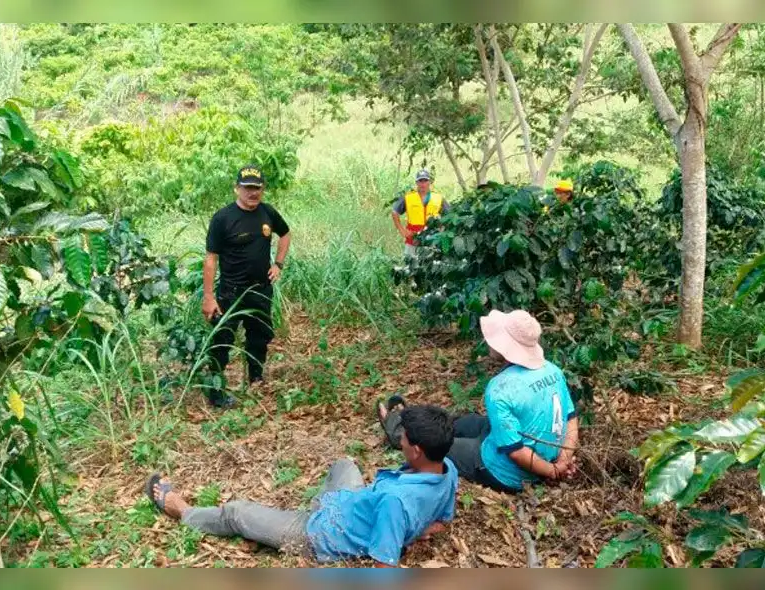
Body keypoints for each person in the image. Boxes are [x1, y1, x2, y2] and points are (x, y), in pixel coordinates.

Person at [145, 405, 458, 568]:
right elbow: (442, 522)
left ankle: (181, 509)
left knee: (237, 514)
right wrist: (414, 530)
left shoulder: (396, 503)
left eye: (403, 438)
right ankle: (316, 505)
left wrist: (396, 533)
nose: (399, 440)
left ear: (416, 449)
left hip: (320, 533)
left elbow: (382, 567)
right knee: (344, 465)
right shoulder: (448, 470)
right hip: (350, 504)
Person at [377, 309, 579, 493]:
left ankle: (399, 433)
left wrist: (552, 471)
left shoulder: (500, 388)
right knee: (462, 421)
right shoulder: (553, 370)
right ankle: (418, 422)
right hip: (534, 452)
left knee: (435, 445)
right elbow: (571, 418)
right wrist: (563, 460)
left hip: (504, 471)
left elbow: (517, 452)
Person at [202, 165, 291, 407]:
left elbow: (285, 234)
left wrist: (279, 264)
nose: (253, 193)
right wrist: (209, 297)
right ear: (236, 188)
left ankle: (256, 379)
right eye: (248, 187)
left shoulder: (268, 213)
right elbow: (211, 258)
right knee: (221, 339)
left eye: (257, 188)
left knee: (259, 336)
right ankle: (216, 393)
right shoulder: (222, 219)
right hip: (230, 292)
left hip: (260, 289)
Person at [391, 169, 450, 257]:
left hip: (432, 239)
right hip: (413, 239)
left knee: (430, 266)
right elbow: (394, 212)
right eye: (420, 181)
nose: (423, 184)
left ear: (429, 182)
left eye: (425, 181)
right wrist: (402, 230)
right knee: (410, 266)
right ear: (416, 183)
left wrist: (443, 230)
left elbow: (450, 215)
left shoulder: (438, 198)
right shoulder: (408, 197)